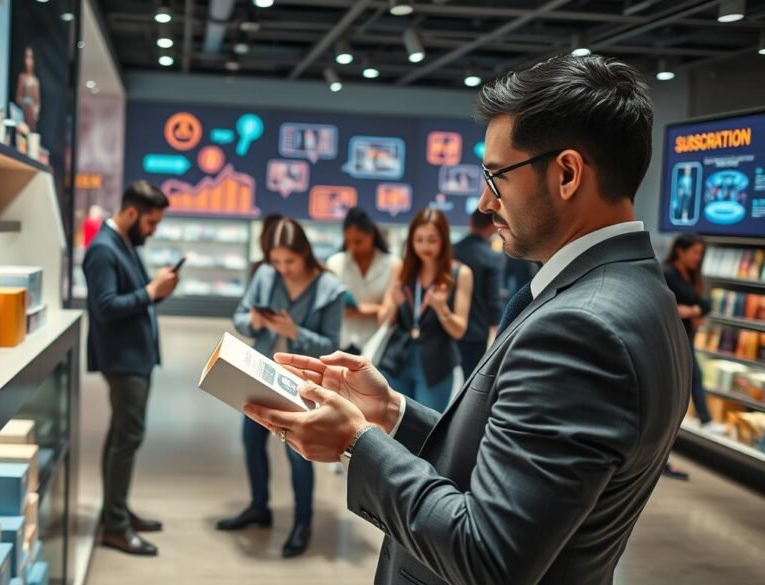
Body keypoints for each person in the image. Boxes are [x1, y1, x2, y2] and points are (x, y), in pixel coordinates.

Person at [243, 55, 690, 585]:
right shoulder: (636, 292)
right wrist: (390, 413)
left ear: (567, 173)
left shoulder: (583, 329)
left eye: (496, 177)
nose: (483, 203)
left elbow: (488, 557)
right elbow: (515, 469)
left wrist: (355, 443)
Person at [218, 217, 345, 559]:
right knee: (251, 442)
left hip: (301, 386)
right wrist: (254, 321)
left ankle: (303, 523)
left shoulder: (329, 289)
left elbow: (332, 344)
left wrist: (294, 331)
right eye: (276, 261)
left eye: (289, 261)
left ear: (305, 254)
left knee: (298, 453)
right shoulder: (265, 276)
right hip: (258, 375)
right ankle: (259, 507)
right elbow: (240, 316)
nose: (282, 269)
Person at [83, 180, 178, 557]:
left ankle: (116, 512)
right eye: (151, 222)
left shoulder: (123, 242)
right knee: (127, 438)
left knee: (122, 436)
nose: (153, 230)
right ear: (133, 213)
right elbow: (105, 307)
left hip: (134, 357)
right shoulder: (103, 250)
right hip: (123, 362)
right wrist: (151, 292)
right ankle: (116, 527)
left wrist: (158, 290)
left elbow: (134, 295)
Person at [377, 209, 473, 411]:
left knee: (426, 430)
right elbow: (383, 319)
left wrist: (441, 309)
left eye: (432, 240)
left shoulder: (460, 273)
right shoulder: (402, 270)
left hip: (436, 363)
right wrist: (394, 303)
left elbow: (459, 330)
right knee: (393, 427)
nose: (425, 246)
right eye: (418, 239)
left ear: (444, 240)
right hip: (398, 360)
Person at [661, 233, 728, 480]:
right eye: (695, 252)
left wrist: (694, 310)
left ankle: (704, 419)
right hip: (673, 340)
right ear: (680, 250)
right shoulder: (667, 274)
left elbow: (705, 303)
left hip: (687, 338)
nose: (698, 258)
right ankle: (705, 419)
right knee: (687, 383)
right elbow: (664, 305)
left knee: (691, 382)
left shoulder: (692, 277)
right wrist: (688, 310)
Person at [326, 207, 396, 355]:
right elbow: (334, 309)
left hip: (378, 346)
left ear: (371, 235)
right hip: (342, 343)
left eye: (359, 241)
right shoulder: (335, 263)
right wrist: (375, 308)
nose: (353, 247)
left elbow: (387, 314)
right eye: (348, 241)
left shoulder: (393, 265)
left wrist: (357, 309)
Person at [453, 209, 503, 376]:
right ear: (493, 227)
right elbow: (493, 298)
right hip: (476, 330)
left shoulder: (451, 251)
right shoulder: (491, 257)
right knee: (471, 380)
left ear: (470, 222)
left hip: (448, 326)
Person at [16, 47, 42, 132]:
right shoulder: (22, 77)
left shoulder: (36, 81)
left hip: (32, 118)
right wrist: (25, 102)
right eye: (27, 57)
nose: (28, 61)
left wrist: (35, 110)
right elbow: (18, 98)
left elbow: (37, 102)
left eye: (30, 58)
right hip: (23, 115)